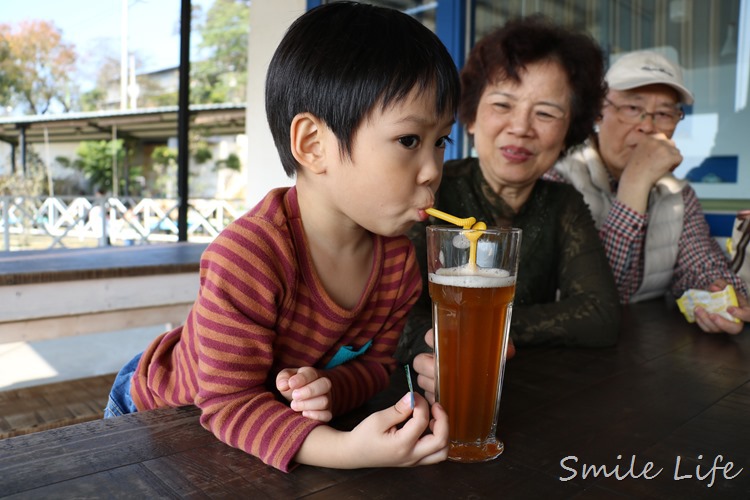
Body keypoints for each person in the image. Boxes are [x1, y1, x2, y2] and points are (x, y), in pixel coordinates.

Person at [104, 2, 461, 472]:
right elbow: (227, 403)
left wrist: (330, 388)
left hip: (256, 422)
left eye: (442, 141)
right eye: (410, 141)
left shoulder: (397, 264)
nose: (433, 170)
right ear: (313, 145)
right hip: (162, 409)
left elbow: (374, 368)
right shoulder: (250, 256)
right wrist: (344, 451)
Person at [397, 15, 621, 393]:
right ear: (468, 116)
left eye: (546, 113)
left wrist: (485, 329)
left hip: (535, 396)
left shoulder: (563, 203)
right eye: (503, 104)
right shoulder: (430, 194)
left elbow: (600, 316)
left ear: (570, 131)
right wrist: (434, 343)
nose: (520, 126)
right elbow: (392, 317)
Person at [547, 50, 750, 334]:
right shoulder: (556, 179)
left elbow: (700, 263)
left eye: (664, 113)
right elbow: (588, 296)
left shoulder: (679, 195)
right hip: (566, 354)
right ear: (598, 113)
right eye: (631, 107)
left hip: (647, 355)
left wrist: (720, 291)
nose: (647, 125)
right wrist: (635, 183)